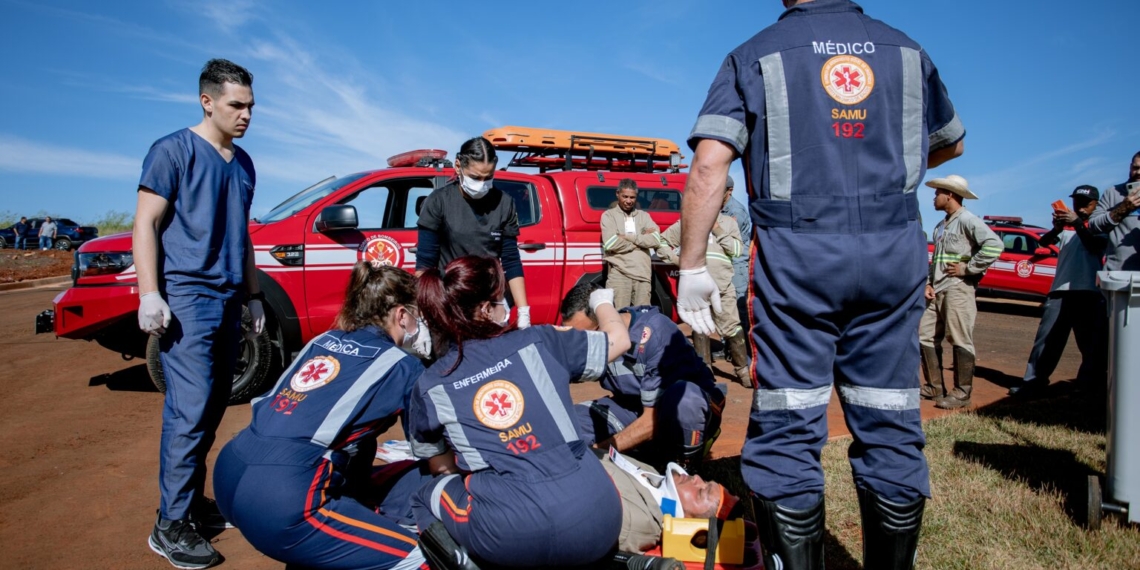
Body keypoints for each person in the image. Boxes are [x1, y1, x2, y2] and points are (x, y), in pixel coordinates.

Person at [674, 1, 967, 567]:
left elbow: (710, 165)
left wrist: (690, 266)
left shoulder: (753, 54)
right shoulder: (906, 50)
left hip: (798, 260)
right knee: (889, 419)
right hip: (892, 251)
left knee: (788, 421)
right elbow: (949, 143)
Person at [409, 256, 632, 567]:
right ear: (487, 309)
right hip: (602, 517)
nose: (509, 305)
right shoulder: (540, 340)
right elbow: (619, 340)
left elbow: (442, 467)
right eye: (504, 297)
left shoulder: (430, 385)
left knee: (425, 494)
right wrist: (601, 302)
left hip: (511, 538)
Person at [213, 263, 432, 570]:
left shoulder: (320, 341)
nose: (419, 322)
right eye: (416, 313)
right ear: (400, 314)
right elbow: (428, 449)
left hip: (230, 474)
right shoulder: (402, 365)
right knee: (422, 558)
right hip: (283, 500)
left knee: (359, 445)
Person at [135, 59, 264, 570]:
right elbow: (146, 223)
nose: (246, 114)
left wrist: (253, 296)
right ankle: (169, 525)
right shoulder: (173, 151)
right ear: (207, 101)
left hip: (231, 299)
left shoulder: (245, 163)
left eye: (251, 106)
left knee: (212, 409)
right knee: (188, 413)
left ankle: (188, 505)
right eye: (236, 105)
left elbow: (244, 234)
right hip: (188, 299)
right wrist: (150, 293)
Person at [560, 283, 726, 469]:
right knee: (567, 420)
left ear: (606, 319)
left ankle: (684, 470)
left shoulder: (655, 333)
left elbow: (651, 421)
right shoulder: (592, 338)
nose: (583, 344)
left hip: (680, 410)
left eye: (587, 336)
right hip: (635, 406)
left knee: (686, 400)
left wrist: (600, 451)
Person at [416, 137, 532, 327]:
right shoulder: (439, 202)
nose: (482, 184)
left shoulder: (504, 203)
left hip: (490, 303)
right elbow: (425, 266)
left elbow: (511, 259)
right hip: (451, 302)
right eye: (475, 177)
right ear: (458, 166)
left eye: (488, 177)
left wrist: (523, 311)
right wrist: (422, 318)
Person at [1009, 186, 1108, 397]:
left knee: (1091, 344)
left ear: (1096, 204)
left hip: (1090, 291)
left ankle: (1088, 387)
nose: (1079, 206)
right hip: (1060, 290)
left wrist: (1078, 224)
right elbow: (1044, 243)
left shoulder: (1101, 225)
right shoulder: (1067, 227)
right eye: (1076, 201)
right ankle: (1033, 383)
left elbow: (1094, 246)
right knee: (1046, 341)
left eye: (1085, 202)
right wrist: (1056, 228)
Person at [920, 175, 1002, 410]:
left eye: (938, 193)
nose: (934, 197)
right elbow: (935, 259)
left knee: (959, 338)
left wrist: (968, 268)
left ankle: (961, 392)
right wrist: (928, 282)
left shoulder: (968, 220)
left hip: (958, 289)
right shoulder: (942, 225)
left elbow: (994, 245)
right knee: (925, 335)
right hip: (937, 290)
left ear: (950, 195)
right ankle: (934, 386)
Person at [658, 192, 749, 386]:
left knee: (732, 328)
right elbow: (662, 242)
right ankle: (704, 371)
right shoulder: (688, 223)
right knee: (700, 327)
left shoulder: (729, 222)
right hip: (697, 289)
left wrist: (717, 229)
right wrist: (678, 261)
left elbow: (737, 250)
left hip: (723, 286)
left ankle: (743, 371)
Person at [600, 448, 740, 554]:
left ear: (690, 523)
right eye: (705, 482)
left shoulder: (633, 521)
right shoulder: (651, 475)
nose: (696, 477)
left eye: (701, 492)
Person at [601, 179, 660, 309]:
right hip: (620, 275)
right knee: (619, 316)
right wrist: (641, 241)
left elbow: (656, 239)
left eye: (632, 197)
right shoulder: (608, 216)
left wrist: (628, 237)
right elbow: (611, 243)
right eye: (625, 196)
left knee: (643, 317)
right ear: (617, 194)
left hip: (643, 276)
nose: (629, 201)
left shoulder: (644, 216)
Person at [1087, 151, 1140, 271]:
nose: (1138, 172)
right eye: (1136, 168)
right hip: (1118, 275)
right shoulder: (1113, 192)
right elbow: (1093, 225)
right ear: (1130, 167)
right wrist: (1123, 208)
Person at [720, 175, 752, 333]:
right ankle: (728, 346)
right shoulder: (719, 209)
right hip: (724, 263)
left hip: (737, 265)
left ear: (729, 191)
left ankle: (744, 347)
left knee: (739, 307)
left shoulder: (736, 212)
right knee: (724, 307)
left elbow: (731, 244)